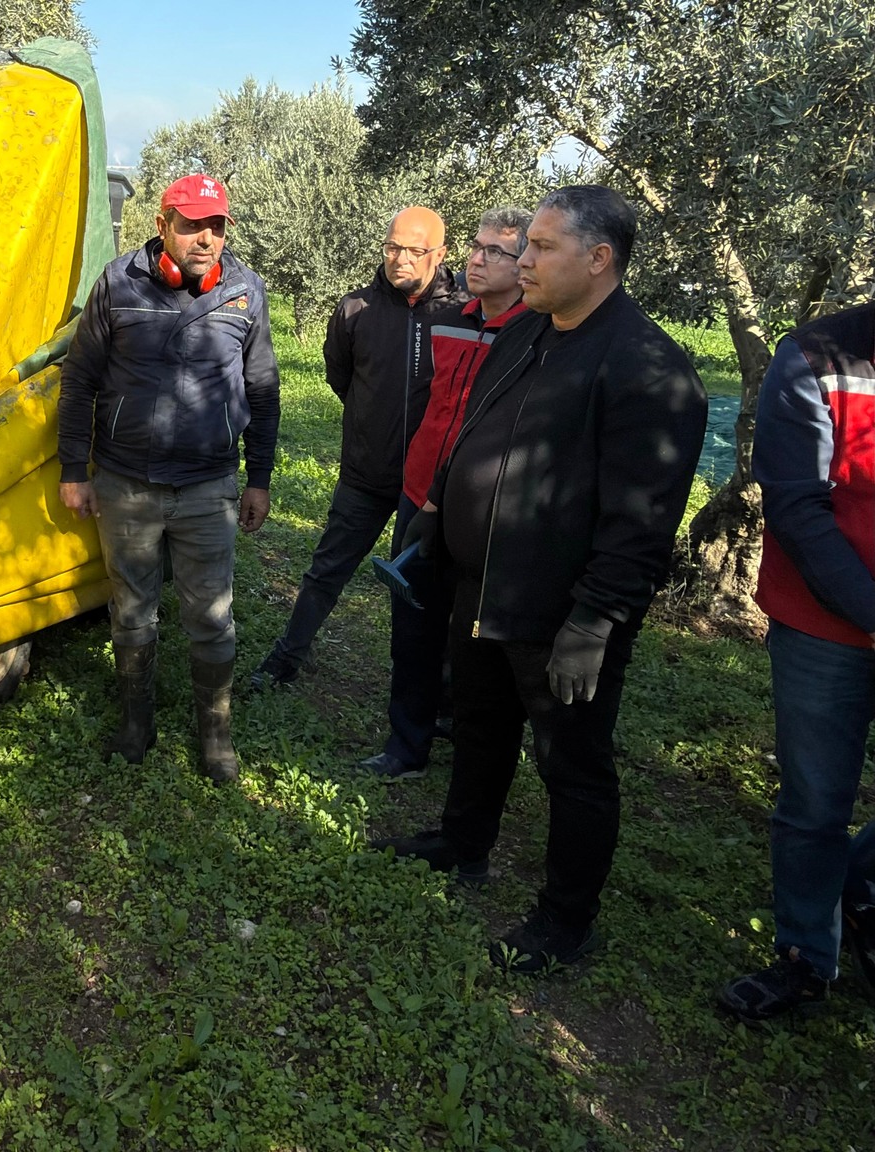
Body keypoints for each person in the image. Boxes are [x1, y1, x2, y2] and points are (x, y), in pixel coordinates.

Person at [377, 186, 706, 973]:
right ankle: (463, 843)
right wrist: (435, 513)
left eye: (541, 248)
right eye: (524, 246)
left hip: (560, 615)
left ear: (599, 260)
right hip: (480, 585)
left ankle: (566, 925)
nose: (521, 260)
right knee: (481, 727)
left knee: (573, 767)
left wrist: (594, 624)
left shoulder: (648, 370)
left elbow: (642, 524)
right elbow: (475, 428)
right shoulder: (530, 334)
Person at [56, 173, 280, 783]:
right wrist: (74, 469)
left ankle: (216, 735)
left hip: (209, 486)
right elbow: (79, 381)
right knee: (132, 611)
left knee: (212, 617)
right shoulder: (118, 283)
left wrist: (257, 477)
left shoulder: (244, 292)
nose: (204, 238)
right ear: (162, 225)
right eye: (191, 224)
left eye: (215, 226)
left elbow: (262, 390)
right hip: (127, 481)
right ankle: (136, 723)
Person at [718, 300, 875, 1020]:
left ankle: (856, 884)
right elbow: (797, 508)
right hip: (824, 631)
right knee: (815, 802)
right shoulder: (816, 356)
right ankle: (805, 957)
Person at [248, 207, 467, 691]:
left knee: (420, 589)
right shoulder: (355, 310)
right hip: (366, 472)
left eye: (415, 250)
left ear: (441, 253)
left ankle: (437, 694)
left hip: (430, 488)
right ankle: (286, 658)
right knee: (326, 570)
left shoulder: (463, 314)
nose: (400, 259)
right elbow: (340, 376)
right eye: (392, 248)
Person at [359, 208, 533, 780]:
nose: (478, 260)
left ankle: (462, 731)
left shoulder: (535, 338)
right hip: (418, 493)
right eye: (477, 248)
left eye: (497, 253)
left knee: (472, 634)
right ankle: (405, 744)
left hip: (482, 512)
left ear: (526, 264)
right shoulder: (448, 319)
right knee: (412, 623)